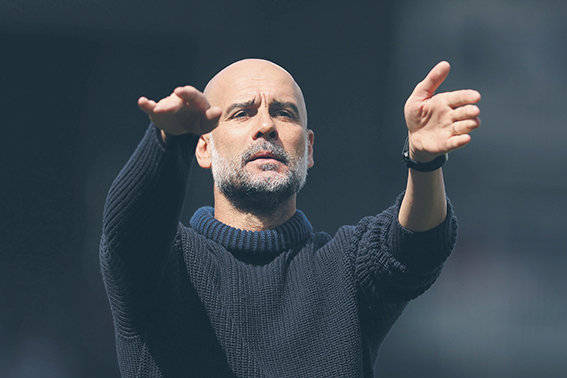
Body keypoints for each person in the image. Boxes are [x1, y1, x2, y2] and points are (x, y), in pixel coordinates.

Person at [100, 58, 481, 377]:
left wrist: (425, 161)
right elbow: (128, 234)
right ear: (204, 147)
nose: (266, 126)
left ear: (309, 148)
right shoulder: (166, 266)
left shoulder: (345, 269)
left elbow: (415, 245)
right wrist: (166, 142)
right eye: (242, 113)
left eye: (284, 113)